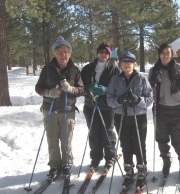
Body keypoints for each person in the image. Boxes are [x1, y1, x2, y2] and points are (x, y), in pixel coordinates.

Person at [35, 36, 84, 179]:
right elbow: (38, 87)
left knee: (66, 139)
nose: (63, 54)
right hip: (49, 109)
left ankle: (67, 164)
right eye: (60, 52)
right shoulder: (47, 69)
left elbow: (82, 89)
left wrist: (71, 89)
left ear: (70, 53)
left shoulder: (74, 70)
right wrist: (48, 92)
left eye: (66, 51)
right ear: (54, 53)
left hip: (67, 111)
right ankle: (55, 166)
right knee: (52, 139)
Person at [107, 51, 153, 189]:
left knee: (139, 145)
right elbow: (109, 99)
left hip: (138, 117)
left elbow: (150, 98)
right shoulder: (115, 79)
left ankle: (141, 171)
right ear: (120, 64)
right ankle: (129, 171)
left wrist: (138, 99)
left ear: (135, 63)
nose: (127, 64)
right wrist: (119, 100)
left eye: (130, 61)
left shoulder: (141, 78)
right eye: (124, 61)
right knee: (126, 145)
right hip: (121, 117)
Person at [148, 43, 180, 178]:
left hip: (176, 108)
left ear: (171, 55)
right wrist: (153, 82)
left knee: (178, 138)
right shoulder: (153, 70)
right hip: (160, 108)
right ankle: (166, 160)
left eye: (168, 53)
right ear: (159, 54)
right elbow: (149, 91)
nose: (165, 55)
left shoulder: (178, 68)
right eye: (163, 53)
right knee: (162, 139)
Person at [80, 42, 120, 171]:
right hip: (90, 105)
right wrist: (88, 91)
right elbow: (81, 86)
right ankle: (95, 158)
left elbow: (118, 87)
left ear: (109, 55)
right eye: (101, 52)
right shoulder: (87, 68)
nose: (103, 55)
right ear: (98, 52)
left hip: (107, 106)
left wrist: (105, 90)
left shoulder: (114, 69)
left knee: (107, 132)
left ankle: (110, 157)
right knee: (93, 132)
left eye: (106, 53)